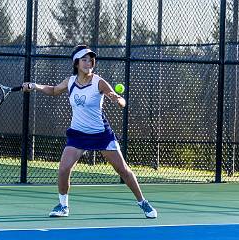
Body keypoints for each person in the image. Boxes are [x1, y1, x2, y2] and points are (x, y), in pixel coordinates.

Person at [22, 44, 157, 219]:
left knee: (123, 170)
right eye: (84, 60)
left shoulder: (98, 81)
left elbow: (115, 97)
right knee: (63, 169)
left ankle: (143, 202)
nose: (88, 63)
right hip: (78, 134)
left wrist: (118, 100)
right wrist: (34, 86)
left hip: (101, 134)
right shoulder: (70, 82)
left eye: (90, 60)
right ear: (76, 63)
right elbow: (54, 90)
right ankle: (63, 206)